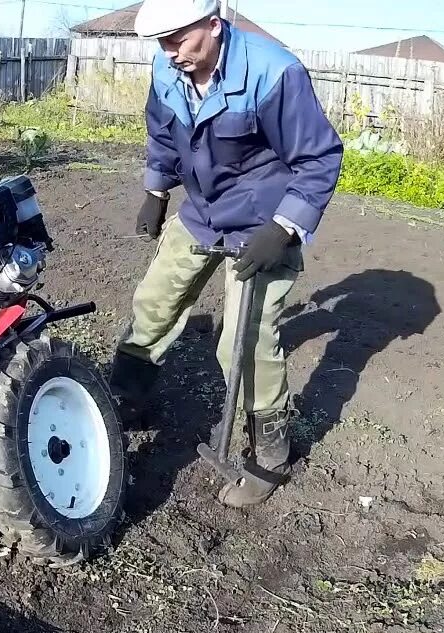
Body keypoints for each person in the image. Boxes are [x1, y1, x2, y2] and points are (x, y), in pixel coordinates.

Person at [108, 0, 344, 507]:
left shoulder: (274, 72)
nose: (170, 53)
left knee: (246, 336)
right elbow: (162, 130)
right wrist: (156, 189)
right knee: (155, 300)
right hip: (203, 208)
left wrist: (283, 228)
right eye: (161, 42)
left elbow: (319, 157)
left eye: (178, 39)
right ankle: (128, 397)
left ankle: (270, 455)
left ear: (214, 25)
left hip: (262, 217)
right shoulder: (168, 66)